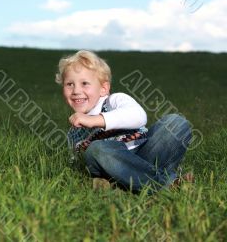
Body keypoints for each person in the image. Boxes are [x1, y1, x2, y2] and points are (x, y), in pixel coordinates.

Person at [55, 50, 193, 192]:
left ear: (103, 88)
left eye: (85, 83)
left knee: (176, 123)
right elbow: (79, 164)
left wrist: (96, 120)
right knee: (96, 149)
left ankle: (128, 184)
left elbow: (139, 116)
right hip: (112, 167)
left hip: (145, 152)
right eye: (69, 84)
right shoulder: (74, 132)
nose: (76, 90)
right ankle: (166, 182)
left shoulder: (114, 101)